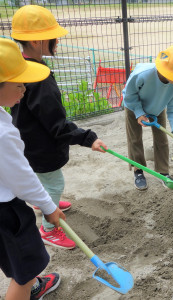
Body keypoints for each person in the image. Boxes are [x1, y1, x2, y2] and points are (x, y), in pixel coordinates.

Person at [10, 5, 108, 250]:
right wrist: (88, 138)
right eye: (53, 37)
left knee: (43, 178)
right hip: (41, 145)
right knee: (54, 183)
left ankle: (42, 202)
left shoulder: (18, 66)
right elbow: (56, 125)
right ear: (38, 40)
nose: (56, 41)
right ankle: (49, 228)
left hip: (26, 138)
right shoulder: (39, 77)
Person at [0, 38, 64, 300]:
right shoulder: (3, 134)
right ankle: (27, 288)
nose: (24, 89)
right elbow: (22, 179)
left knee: (16, 258)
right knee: (24, 272)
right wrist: (49, 207)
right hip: (6, 212)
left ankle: (33, 284)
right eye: (18, 84)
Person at [123, 45, 173, 190]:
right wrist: (138, 112)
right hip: (134, 106)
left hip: (157, 107)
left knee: (162, 139)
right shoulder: (142, 74)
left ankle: (163, 172)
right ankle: (138, 171)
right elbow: (129, 94)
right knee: (135, 138)